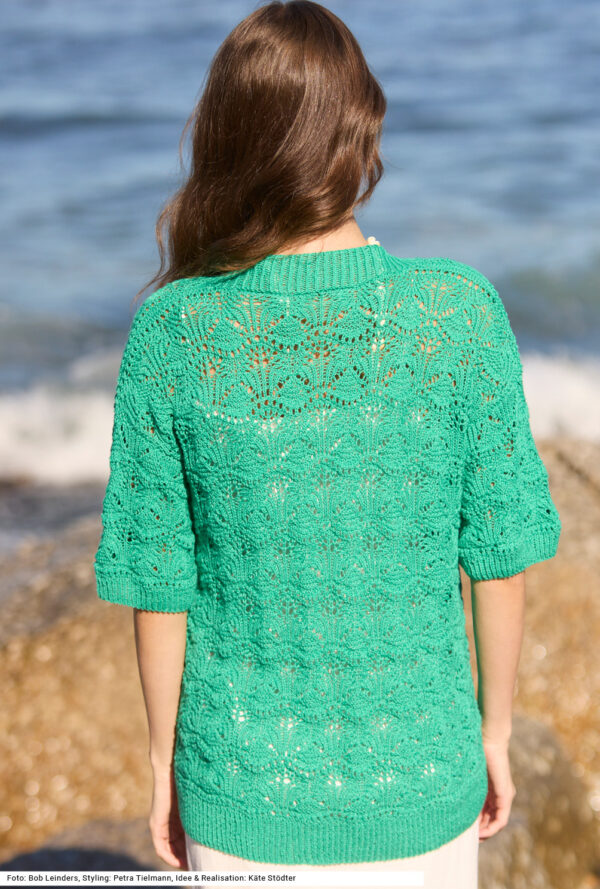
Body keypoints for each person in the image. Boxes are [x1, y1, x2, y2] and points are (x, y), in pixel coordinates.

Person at [94, 2, 562, 886]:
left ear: (227, 141)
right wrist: (493, 733)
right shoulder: (458, 314)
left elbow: (160, 582)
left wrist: (163, 766)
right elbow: (498, 558)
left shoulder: (173, 332)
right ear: (362, 134)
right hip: (423, 777)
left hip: (241, 789)